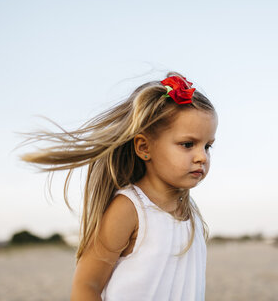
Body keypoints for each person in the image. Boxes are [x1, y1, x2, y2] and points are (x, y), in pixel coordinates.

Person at [20, 72, 218, 300]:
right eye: (187, 144)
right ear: (144, 147)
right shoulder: (130, 208)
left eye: (208, 146)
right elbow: (87, 285)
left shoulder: (189, 211)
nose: (202, 157)